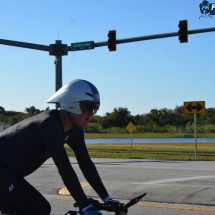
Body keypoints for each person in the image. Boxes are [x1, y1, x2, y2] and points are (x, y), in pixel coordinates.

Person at [0, 79, 126, 215]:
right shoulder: (49, 125)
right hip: (4, 169)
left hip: (9, 172)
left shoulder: (75, 129)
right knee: (39, 208)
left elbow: (86, 164)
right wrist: (85, 206)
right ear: (71, 106)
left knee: (14, 211)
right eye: (87, 107)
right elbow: (64, 167)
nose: (92, 113)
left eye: (95, 107)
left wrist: (107, 199)